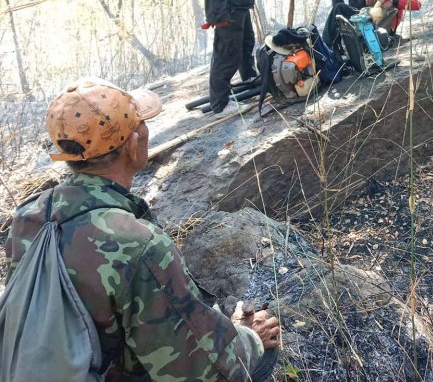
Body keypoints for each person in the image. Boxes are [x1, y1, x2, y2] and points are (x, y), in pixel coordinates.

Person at [4, 77, 280, 380]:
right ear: (134, 145)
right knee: (262, 354)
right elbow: (200, 371)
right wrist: (247, 336)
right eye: (143, 124)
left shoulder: (29, 216)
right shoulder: (138, 244)